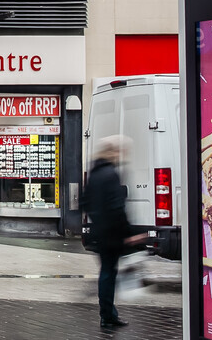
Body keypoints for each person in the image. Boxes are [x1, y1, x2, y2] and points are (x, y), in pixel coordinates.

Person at [83, 137, 142, 330]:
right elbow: (117, 207)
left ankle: (107, 313)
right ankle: (107, 315)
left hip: (100, 232)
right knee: (109, 273)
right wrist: (129, 233)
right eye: (120, 152)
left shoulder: (94, 174)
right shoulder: (111, 174)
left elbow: (85, 202)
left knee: (106, 272)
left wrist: (97, 220)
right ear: (114, 153)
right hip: (112, 234)